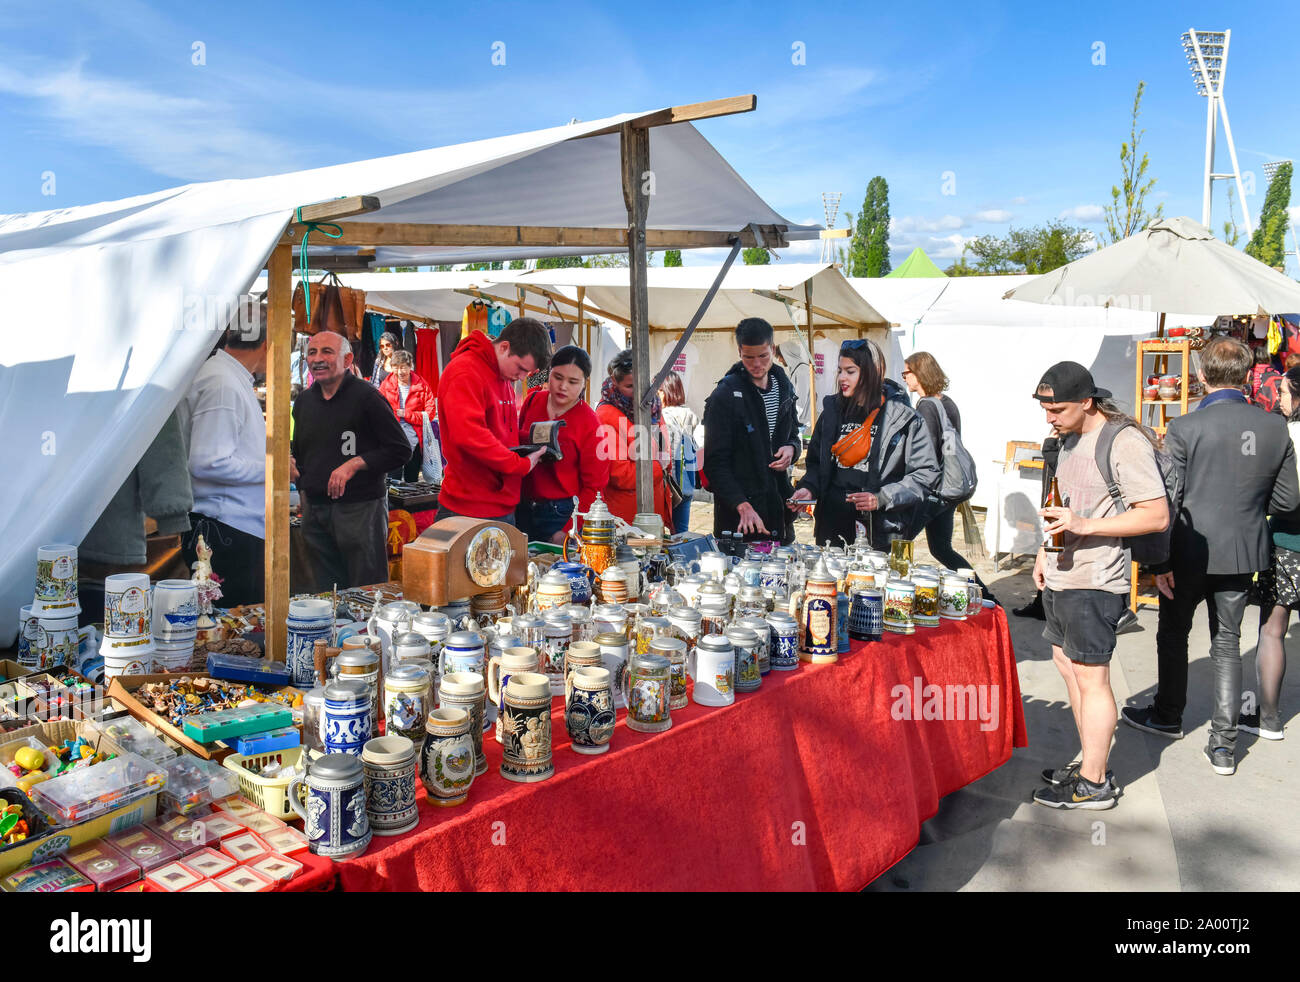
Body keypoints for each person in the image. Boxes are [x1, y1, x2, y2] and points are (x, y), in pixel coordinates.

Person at [1122, 339, 1299, 775]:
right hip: (1241, 549)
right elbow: (1287, 499)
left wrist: (1159, 562)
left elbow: (1169, 498)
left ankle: (1168, 714)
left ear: (1201, 377)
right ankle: (1223, 744)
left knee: (1173, 633)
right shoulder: (1274, 426)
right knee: (1228, 643)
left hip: (1187, 548)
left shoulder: (1185, 427)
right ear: (1248, 377)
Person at [1030, 361, 1169, 809]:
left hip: (1095, 580)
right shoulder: (1068, 438)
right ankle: (1092, 762)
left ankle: (1094, 783)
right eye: (1045, 408)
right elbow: (1063, 503)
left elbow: (1156, 515)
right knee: (1067, 664)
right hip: (1062, 574)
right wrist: (1043, 552)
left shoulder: (1123, 441)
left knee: (1092, 677)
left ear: (1087, 401)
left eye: (1057, 409)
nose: (1049, 418)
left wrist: (1085, 526)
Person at [290, 331, 411, 591]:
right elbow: (300, 453)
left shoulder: (367, 397)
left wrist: (355, 463)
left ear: (347, 360)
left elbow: (400, 450)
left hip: (360, 510)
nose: (317, 359)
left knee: (366, 589)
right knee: (323, 592)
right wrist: (300, 484)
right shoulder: (304, 402)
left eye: (327, 352)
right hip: (315, 511)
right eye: (312, 353)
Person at [789, 339, 939, 549]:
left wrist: (881, 498)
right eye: (840, 371)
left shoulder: (904, 419)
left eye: (850, 371)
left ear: (873, 372)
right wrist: (809, 487)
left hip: (882, 532)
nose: (842, 377)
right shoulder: (832, 412)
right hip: (832, 527)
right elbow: (816, 464)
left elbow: (925, 475)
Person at [179, 308, 268, 607]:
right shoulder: (222, 383)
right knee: (231, 624)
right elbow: (208, 462)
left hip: (231, 527)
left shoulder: (227, 377)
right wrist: (272, 469)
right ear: (268, 343)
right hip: (226, 529)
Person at [435, 317, 551, 524]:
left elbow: (502, 432)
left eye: (527, 372)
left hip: (499, 503)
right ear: (504, 347)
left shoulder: (503, 374)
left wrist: (536, 440)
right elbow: (469, 435)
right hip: (468, 507)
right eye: (521, 368)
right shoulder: (465, 372)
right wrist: (519, 464)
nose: (522, 377)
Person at [701, 319, 802, 545]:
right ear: (739, 352)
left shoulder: (784, 387)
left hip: (779, 514)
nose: (757, 364)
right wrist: (741, 505)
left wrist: (792, 449)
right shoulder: (725, 395)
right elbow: (715, 464)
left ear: (773, 349)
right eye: (749, 357)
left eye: (763, 356)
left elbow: (794, 433)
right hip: (739, 521)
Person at [902, 351, 988, 593]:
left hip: (933, 490)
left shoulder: (927, 405)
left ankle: (899, 593)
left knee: (898, 543)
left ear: (919, 374)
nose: (904, 378)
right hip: (949, 487)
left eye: (906, 373)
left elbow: (927, 452)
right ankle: (984, 593)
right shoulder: (947, 403)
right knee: (941, 548)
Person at [1247, 365, 1300, 741]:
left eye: (1282, 392)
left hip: (1287, 542)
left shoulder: (1286, 436)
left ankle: (1268, 718)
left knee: (1272, 629)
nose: (1277, 399)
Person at [516, 345, 609, 543]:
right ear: (549, 373)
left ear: (584, 384)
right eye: (557, 377)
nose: (563, 386)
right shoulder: (532, 401)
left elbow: (595, 487)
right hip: (522, 506)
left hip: (561, 514)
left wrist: (570, 530)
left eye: (573, 382)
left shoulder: (590, 423)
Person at [595, 349, 673, 533]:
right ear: (615, 382)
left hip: (653, 512)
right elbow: (620, 475)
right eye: (630, 386)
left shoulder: (651, 407)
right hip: (627, 521)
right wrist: (658, 466)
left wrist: (662, 462)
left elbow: (664, 448)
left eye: (642, 385)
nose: (638, 393)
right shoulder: (605, 416)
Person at [378, 349, 436, 483]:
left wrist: (407, 414)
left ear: (410, 366)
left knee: (412, 479)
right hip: (393, 438)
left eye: (403, 367)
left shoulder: (421, 385)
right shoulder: (386, 385)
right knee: (393, 479)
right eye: (396, 368)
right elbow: (378, 410)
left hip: (416, 438)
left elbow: (430, 413)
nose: (400, 372)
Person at [660, 371, 700, 536]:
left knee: (657, 534)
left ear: (665, 392)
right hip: (687, 483)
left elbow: (666, 453)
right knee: (681, 533)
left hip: (670, 486)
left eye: (658, 391)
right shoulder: (690, 415)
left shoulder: (663, 416)